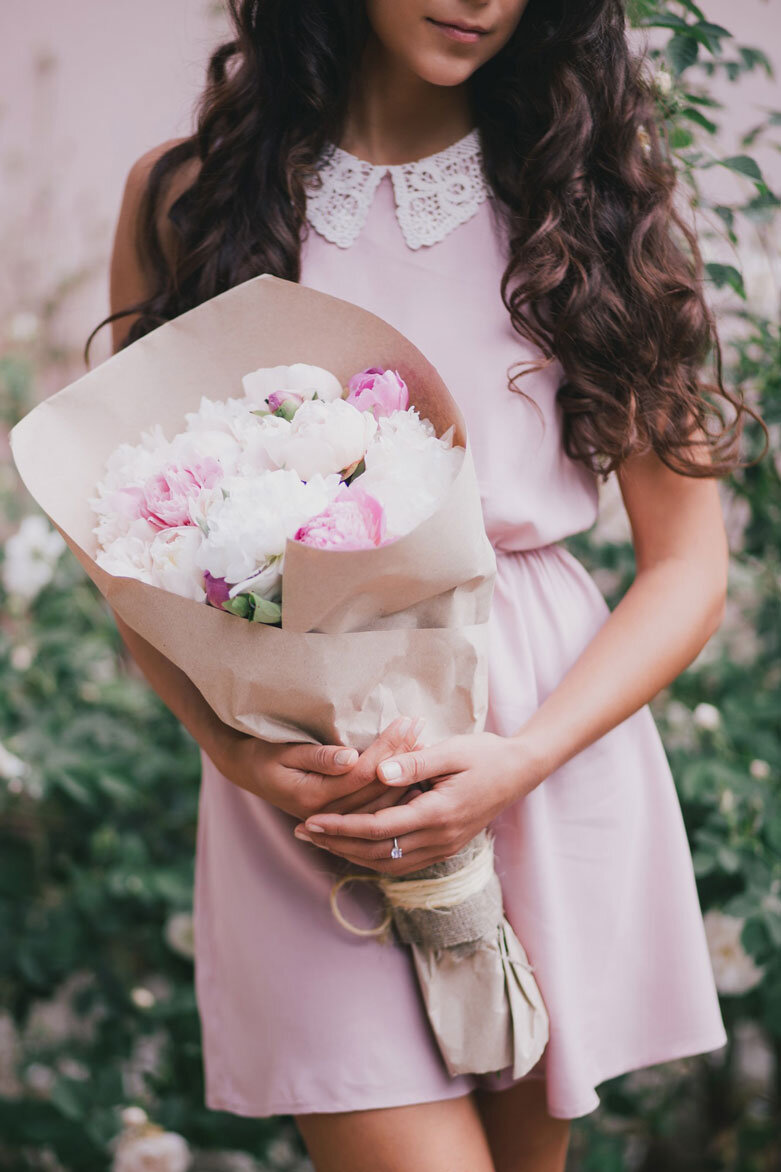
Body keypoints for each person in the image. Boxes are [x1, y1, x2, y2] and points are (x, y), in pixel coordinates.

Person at [89, 2, 768, 1170]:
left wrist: (521, 757)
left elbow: (687, 562)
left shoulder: (584, 194)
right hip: (305, 780)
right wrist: (232, 747)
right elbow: (127, 538)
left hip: (538, 749)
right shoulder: (187, 195)